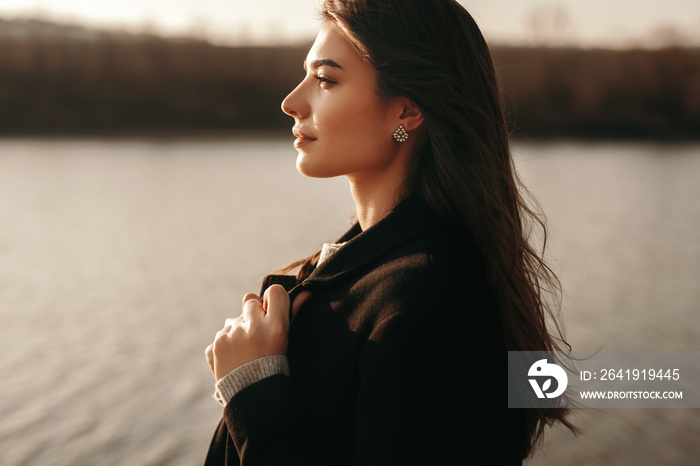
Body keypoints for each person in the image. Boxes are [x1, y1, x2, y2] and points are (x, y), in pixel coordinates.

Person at [204, 0, 576, 464]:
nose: (291, 102)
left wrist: (253, 389)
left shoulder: (428, 300)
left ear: (406, 111)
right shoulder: (358, 267)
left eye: (325, 79)